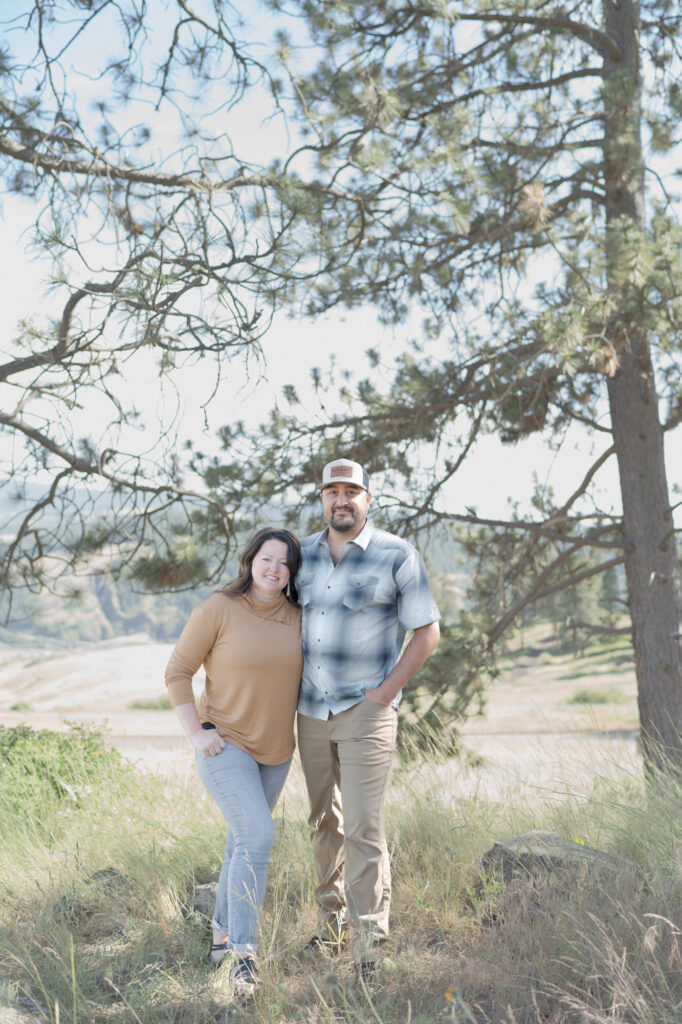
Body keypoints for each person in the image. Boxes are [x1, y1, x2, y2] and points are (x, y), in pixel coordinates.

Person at [296, 458, 440, 975]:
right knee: (322, 822)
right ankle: (330, 931)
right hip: (310, 711)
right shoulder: (301, 556)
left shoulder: (396, 555)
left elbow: (427, 632)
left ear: (367, 498)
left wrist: (385, 693)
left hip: (366, 711)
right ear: (321, 500)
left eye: (351, 491)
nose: (341, 500)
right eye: (332, 491)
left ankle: (370, 943)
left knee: (361, 824)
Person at [164, 527, 302, 995]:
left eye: (284, 563)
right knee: (259, 836)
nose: (274, 569)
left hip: (277, 752)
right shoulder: (219, 609)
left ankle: (221, 938)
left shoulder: (298, 617)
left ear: (292, 572)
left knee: (240, 844)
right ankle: (245, 956)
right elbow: (178, 671)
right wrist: (195, 731)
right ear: (251, 560)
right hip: (226, 746)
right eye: (267, 559)